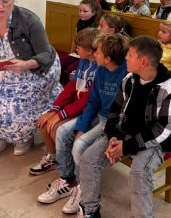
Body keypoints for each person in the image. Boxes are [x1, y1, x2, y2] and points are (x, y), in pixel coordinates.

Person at [77, 35, 171, 218]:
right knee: (88, 159)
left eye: (130, 55)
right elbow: (114, 112)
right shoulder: (129, 79)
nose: (126, 58)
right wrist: (113, 136)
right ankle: (90, 210)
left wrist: (127, 147)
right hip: (125, 133)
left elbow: (160, 131)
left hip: (155, 141)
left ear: (143, 61)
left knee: (139, 172)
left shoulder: (169, 89)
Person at [37, 33, 128, 215]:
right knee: (63, 133)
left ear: (107, 58)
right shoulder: (101, 70)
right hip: (100, 117)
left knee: (79, 147)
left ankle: (83, 188)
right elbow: (93, 102)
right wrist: (81, 127)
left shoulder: (126, 75)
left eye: (98, 52)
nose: (94, 53)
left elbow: (123, 113)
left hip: (114, 124)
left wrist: (111, 136)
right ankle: (68, 180)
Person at [0, 0, 62, 156]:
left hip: (36, 69)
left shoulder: (28, 19)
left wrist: (26, 64)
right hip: (7, 70)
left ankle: (24, 137)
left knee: (14, 105)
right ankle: (3, 135)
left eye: (5, 1)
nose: (1, 6)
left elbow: (45, 54)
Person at [29, 28, 99, 176]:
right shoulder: (83, 62)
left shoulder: (99, 69)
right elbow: (70, 88)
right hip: (77, 106)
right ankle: (54, 158)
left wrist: (61, 115)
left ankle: (68, 167)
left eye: (78, 47)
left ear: (89, 51)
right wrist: (55, 110)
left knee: (56, 128)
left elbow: (87, 101)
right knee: (43, 122)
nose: (76, 49)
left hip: (88, 111)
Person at [59, 0, 102, 85]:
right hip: (77, 53)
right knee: (59, 63)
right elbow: (75, 39)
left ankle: (71, 86)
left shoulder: (96, 26)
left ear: (93, 13)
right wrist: (71, 53)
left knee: (70, 69)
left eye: (85, 11)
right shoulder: (80, 22)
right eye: (80, 10)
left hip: (87, 55)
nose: (81, 13)